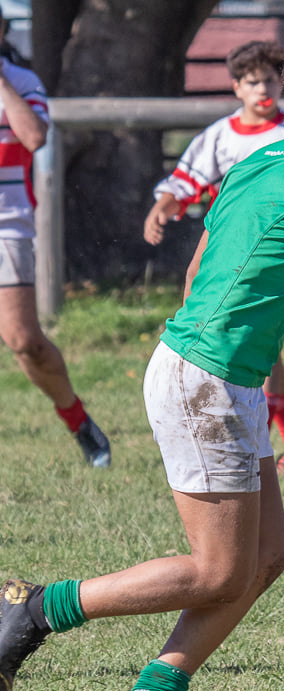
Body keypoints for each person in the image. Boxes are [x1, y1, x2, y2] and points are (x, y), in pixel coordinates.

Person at [0, 25, 284, 691]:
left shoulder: (260, 161)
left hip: (207, 371)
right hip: (209, 381)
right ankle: (38, 607)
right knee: (217, 571)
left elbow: (199, 270)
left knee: (264, 557)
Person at [143, 41, 284, 476]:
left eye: (270, 80)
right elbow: (185, 178)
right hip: (225, 255)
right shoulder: (221, 136)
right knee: (256, 352)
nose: (263, 89)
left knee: (259, 352)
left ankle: (280, 444)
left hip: (274, 259)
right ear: (237, 87)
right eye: (253, 81)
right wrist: (162, 207)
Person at [0, 7, 111, 468]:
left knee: (25, 341)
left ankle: (76, 418)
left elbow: (34, 135)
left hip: (6, 224)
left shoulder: (20, 80)